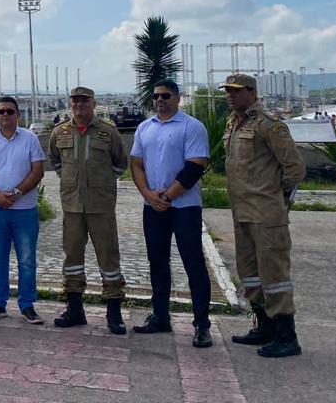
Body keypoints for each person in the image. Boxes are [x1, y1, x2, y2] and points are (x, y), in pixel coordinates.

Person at [221, 73, 306, 358]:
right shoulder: (234, 124)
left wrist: (275, 199)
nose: (230, 96)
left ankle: (287, 336)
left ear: (252, 92)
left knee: (274, 276)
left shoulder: (270, 126)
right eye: (227, 91)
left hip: (267, 215)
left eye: (236, 91)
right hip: (242, 213)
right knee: (250, 274)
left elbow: (294, 169)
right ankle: (265, 327)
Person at [129, 80, 212, 347]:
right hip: (153, 207)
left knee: (193, 263)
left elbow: (195, 166)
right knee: (158, 262)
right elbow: (137, 164)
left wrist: (166, 196)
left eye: (166, 95)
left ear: (177, 97)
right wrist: (148, 194)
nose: (160, 99)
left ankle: (201, 324)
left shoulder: (192, 126)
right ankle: (160, 316)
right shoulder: (145, 128)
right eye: (156, 96)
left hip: (184, 207)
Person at [47, 86, 128, 333]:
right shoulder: (59, 132)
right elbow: (56, 161)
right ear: (70, 103)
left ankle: (113, 313)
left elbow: (120, 164)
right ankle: (75, 309)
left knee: (109, 257)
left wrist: (99, 184)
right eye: (75, 100)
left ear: (93, 103)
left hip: (100, 207)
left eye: (84, 100)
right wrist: (73, 183)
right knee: (72, 258)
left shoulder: (107, 132)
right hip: (72, 206)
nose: (79, 104)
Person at [0, 96, 46, 324]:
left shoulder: (30, 139)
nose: (5, 115)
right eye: (1, 112)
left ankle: (27, 305)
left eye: (10, 111)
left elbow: (37, 171)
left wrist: (16, 194)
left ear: (18, 114)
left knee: (27, 260)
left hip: (25, 210)